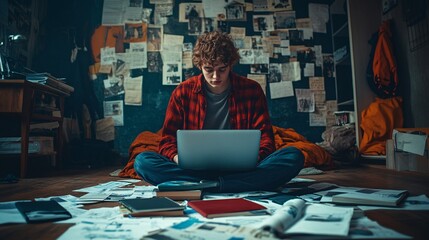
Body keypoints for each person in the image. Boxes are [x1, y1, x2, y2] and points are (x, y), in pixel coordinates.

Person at [134, 30, 304, 193]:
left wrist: (253, 159)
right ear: (200, 65)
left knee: (293, 156)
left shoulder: (252, 90)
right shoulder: (182, 92)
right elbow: (167, 141)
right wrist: (180, 160)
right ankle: (227, 185)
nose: (216, 76)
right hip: (196, 171)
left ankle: (205, 185)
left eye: (222, 69)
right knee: (143, 162)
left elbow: (266, 138)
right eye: (209, 69)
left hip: (241, 170)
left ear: (231, 65)